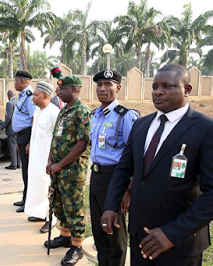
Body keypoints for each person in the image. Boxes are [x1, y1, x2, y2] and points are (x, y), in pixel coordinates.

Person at [101, 65, 213, 266]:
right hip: (141, 235)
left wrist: (172, 234)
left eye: (167, 86)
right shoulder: (141, 125)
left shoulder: (207, 129)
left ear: (187, 90)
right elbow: (124, 169)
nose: (158, 91)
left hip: (179, 244)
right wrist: (111, 205)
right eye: (155, 86)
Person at [90, 70, 139, 266]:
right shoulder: (95, 115)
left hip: (116, 178)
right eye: (99, 84)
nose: (103, 88)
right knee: (99, 230)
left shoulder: (125, 116)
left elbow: (135, 156)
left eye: (108, 84)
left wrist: (128, 190)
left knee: (115, 232)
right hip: (96, 177)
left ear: (118, 87)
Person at [45, 75, 92, 266]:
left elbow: (81, 145)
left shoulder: (83, 112)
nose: (58, 92)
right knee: (59, 206)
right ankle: (65, 237)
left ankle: (77, 247)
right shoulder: (64, 112)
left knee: (73, 209)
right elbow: (55, 138)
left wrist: (60, 164)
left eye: (61, 89)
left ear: (74, 89)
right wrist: (50, 160)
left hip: (72, 172)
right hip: (57, 170)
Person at [24, 81, 60, 233]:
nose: (33, 97)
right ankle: (40, 213)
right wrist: (29, 144)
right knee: (37, 185)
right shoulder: (38, 110)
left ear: (45, 96)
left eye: (36, 95)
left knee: (47, 187)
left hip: (47, 159)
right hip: (36, 157)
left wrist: (52, 160)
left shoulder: (54, 112)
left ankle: (50, 219)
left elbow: (57, 139)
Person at [11, 71, 36, 213]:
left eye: (16, 81)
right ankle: (25, 198)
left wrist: (30, 142)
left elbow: (34, 119)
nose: (14, 84)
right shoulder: (22, 96)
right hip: (22, 136)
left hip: (27, 135)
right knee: (24, 170)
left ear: (23, 81)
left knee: (28, 171)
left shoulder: (30, 96)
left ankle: (28, 202)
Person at [2, 90, 21, 170]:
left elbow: (8, 116)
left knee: (12, 146)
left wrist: (3, 125)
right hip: (19, 128)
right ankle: (18, 164)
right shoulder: (19, 101)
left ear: (8, 95)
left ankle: (13, 164)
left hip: (12, 128)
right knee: (18, 146)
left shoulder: (9, 103)